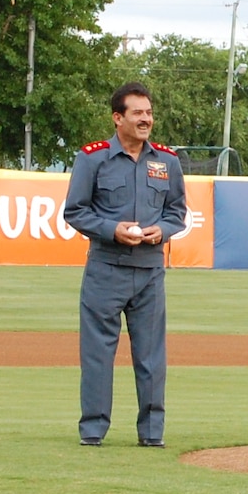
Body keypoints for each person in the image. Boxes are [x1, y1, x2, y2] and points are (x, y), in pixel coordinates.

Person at [64, 82, 186, 447]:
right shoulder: (93, 158)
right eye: (137, 113)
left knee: (151, 358)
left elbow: (177, 212)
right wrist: (112, 230)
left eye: (148, 112)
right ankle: (93, 431)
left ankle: (151, 434)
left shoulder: (167, 161)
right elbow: (75, 211)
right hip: (106, 268)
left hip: (149, 272)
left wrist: (160, 231)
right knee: (98, 355)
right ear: (118, 118)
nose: (145, 119)